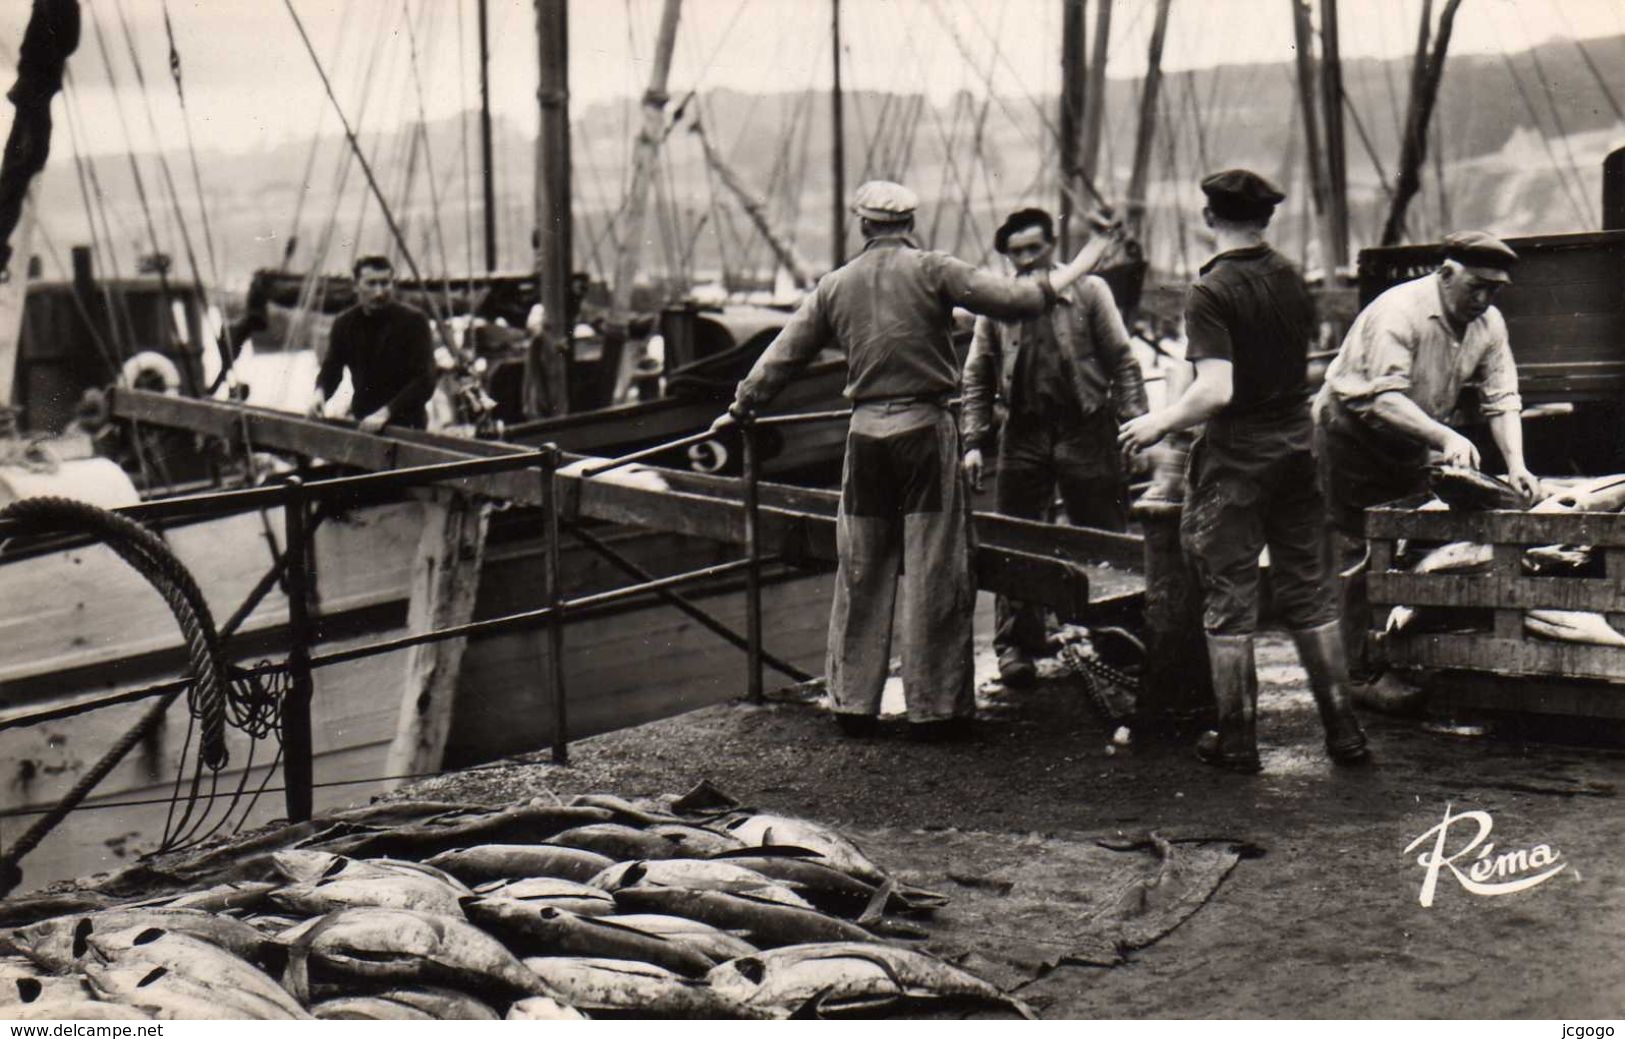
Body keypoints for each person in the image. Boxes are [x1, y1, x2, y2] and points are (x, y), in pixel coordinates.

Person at [712, 180, 1119, 741]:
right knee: (935, 565)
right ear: (909, 223)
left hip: (865, 438)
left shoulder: (836, 285)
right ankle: (936, 707)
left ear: (862, 226)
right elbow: (1020, 300)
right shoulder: (934, 270)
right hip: (924, 432)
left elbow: (782, 354)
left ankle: (853, 702)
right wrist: (1090, 258)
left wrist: (739, 408)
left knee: (861, 566)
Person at [1119, 169, 1367, 772]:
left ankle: (1236, 739)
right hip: (1297, 446)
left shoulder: (1211, 291)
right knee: (1308, 585)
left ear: (1209, 217)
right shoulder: (1288, 277)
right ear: (1266, 219)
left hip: (1238, 456)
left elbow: (1215, 391)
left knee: (1228, 588)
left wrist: (1159, 423)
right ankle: (1345, 733)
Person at [1313, 231, 1537, 685]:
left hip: (1411, 440)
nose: (1484, 298)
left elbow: (1502, 396)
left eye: (1493, 289)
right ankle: (1353, 676)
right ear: (1446, 274)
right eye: (1476, 285)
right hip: (1351, 435)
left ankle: (1397, 656)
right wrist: (1444, 436)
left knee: (1409, 545)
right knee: (1357, 551)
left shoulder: (1489, 324)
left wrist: (1517, 464)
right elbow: (1383, 400)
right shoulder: (1399, 311)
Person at [961, 207, 1149, 686]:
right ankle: (1017, 647)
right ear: (1007, 257)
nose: (1027, 260)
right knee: (1013, 540)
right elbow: (978, 374)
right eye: (1017, 252)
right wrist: (974, 442)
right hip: (1023, 431)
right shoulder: (998, 308)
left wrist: (1138, 427)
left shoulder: (1090, 291)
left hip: (1086, 426)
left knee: (1105, 534)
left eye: (1035, 249)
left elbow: (1123, 361)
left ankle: (1118, 639)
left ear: (1053, 247)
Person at [308, 255, 438, 432]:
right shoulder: (344, 323)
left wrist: (385, 413)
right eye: (371, 284)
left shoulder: (414, 322)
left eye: (385, 283)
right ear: (356, 285)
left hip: (407, 424)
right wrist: (320, 394)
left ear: (392, 284)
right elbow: (332, 368)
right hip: (363, 420)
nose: (379, 292)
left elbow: (425, 380)